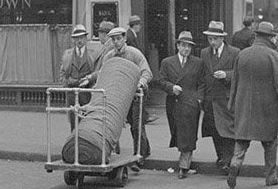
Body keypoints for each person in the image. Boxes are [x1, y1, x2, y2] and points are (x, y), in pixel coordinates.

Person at [227, 21, 278, 189]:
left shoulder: (243, 54)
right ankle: (271, 176)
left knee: (241, 139)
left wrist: (232, 102)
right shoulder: (273, 55)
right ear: (269, 37)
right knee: (270, 142)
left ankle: (235, 164)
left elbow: (235, 81)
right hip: (267, 107)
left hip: (244, 104)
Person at [95, 26, 152, 171]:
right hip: (118, 97)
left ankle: (139, 157)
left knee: (136, 125)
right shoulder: (109, 57)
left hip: (135, 96)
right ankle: (119, 152)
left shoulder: (134, 54)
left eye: (119, 39)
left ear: (125, 38)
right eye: (113, 39)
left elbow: (147, 72)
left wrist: (140, 83)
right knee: (114, 123)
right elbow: (103, 73)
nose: (116, 42)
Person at [155, 31, 205, 178]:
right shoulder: (167, 62)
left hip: (190, 104)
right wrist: (172, 88)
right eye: (183, 45)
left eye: (189, 46)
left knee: (188, 133)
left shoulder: (198, 62)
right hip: (174, 103)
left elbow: (202, 83)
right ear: (177, 46)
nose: (186, 49)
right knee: (178, 133)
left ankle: (184, 165)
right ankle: (186, 157)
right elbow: (161, 80)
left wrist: (198, 99)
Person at [199, 20, 239, 174]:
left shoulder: (235, 52)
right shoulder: (204, 53)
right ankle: (221, 156)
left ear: (222, 38)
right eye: (210, 39)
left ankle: (228, 160)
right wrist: (201, 97)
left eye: (215, 39)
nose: (212, 42)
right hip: (211, 98)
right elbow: (202, 76)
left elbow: (240, 73)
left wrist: (227, 75)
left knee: (228, 130)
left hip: (226, 99)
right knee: (214, 130)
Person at [58, 23, 102, 130]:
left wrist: (91, 82)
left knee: (87, 119)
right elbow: (62, 72)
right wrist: (66, 86)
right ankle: (75, 143)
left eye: (81, 37)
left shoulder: (93, 54)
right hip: (72, 92)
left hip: (87, 92)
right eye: (77, 38)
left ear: (86, 38)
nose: (79, 40)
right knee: (74, 121)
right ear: (73, 39)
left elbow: (99, 72)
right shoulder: (67, 54)